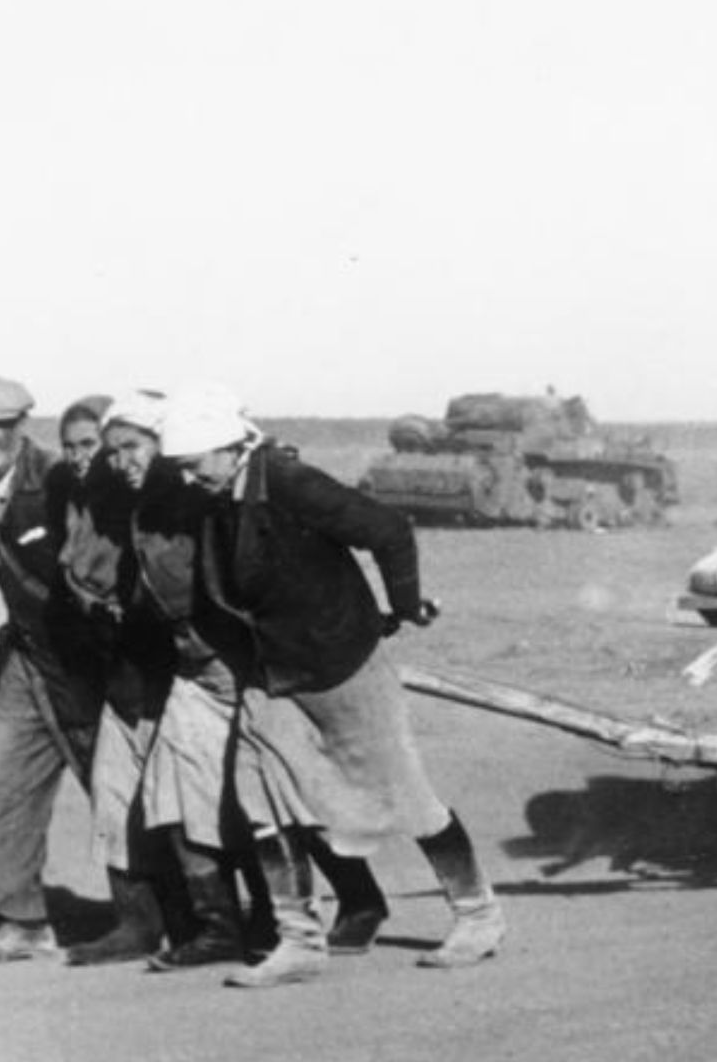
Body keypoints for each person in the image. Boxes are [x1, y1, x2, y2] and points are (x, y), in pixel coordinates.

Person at [159, 387, 503, 988]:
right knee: (261, 795)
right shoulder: (215, 498)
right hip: (275, 675)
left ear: (227, 449)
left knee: (403, 793)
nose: (188, 480)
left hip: (344, 663)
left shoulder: (290, 483)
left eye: (193, 465)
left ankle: (478, 915)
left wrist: (401, 607)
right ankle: (300, 940)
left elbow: (388, 529)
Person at [0, 377, 104, 965]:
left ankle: (190, 915)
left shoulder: (60, 481)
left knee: (118, 789)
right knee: (1, 793)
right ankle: (22, 923)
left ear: (20, 426)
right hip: (26, 661)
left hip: (82, 663)